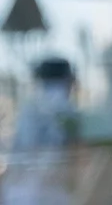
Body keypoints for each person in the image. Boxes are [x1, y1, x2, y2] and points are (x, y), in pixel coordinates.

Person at [2, 57, 80, 205]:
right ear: (66, 79)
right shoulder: (65, 108)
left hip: (19, 190)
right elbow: (72, 146)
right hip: (47, 190)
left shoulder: (28, 106)